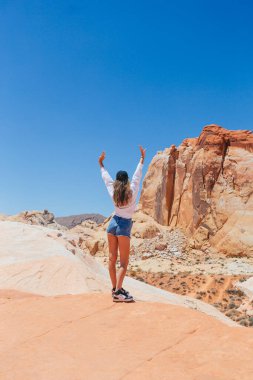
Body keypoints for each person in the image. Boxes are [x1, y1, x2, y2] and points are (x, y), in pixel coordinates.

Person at [98, 146, 146, 302]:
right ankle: (118, 292)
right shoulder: (131, 192)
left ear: (117, 181)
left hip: (112, 224)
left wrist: (101, 164)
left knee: (112, 259)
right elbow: (137, 176)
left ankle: (114, 288)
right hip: (124, 225)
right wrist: (141, 159)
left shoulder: (113, 192)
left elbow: (106, 179)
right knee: (123, 263)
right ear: (126, 181)